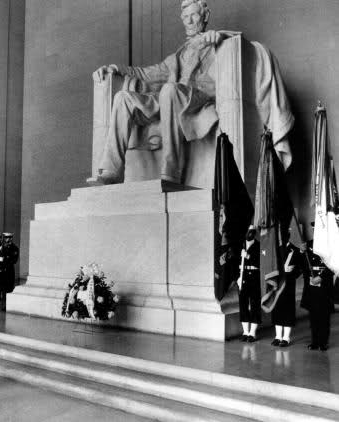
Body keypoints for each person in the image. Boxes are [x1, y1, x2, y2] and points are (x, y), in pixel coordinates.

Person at [93, 0, 293, 186]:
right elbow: (147, 73)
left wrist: (218, 38)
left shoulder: (218, 41)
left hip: (199, 98)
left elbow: (238, 44)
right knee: (123, 98)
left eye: (194, 15)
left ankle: (171, 169)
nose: (188, 21)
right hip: (172, 98)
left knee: (169, 91)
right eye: (185, 17)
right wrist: (115, 69)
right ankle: (112, 171)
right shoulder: (179, 55)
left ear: (205, 16)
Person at [301, 239, 335, 351]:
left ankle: (323, 342)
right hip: (312, 286)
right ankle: (314, 341)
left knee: (324, 316)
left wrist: (321, 277)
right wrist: (302, 252)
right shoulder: (310, 244)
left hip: (324, 286)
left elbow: (334, 264)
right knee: (313, 317)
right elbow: (303, 264)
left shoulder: (330, 243)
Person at [270, 231, 303, 347]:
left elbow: (300, 268)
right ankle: (278, 336)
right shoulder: (275, 250)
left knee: (288, 309)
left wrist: (291, 274)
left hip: (289, 284)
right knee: (277, 309)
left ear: (288, 237)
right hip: (277, 283)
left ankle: (286, 337)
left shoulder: (295, 250)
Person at [237, 225, 261, 342]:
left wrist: (248, 256)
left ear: (254, 233)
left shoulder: (259, 246)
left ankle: (252, 332)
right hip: (242, 277)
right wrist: (237, 277)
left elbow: (261, 262)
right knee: (243, 304)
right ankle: (245, 331)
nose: (249, 234)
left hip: (254, 277)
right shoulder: (240, 245)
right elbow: (233, 262)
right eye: (247, 231)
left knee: (255, 303)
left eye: (251, 232)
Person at [0, 233, 19, 311]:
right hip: (3, 271)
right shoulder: (3, 247)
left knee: (9, 288)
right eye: (5, 238)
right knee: (3, 289)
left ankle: (8, 305)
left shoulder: (14, 248)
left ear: (11, 238)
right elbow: (1, 258)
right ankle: (3, 305)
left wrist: (6, 259)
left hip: (9, 271)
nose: (6, 239)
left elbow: (14, 260)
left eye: (7, 238)